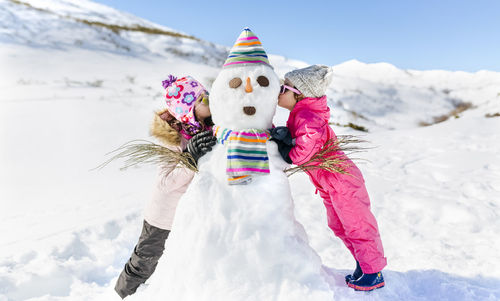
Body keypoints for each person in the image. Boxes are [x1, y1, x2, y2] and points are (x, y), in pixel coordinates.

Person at [270, 65, 387, 291]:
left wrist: (288, 151)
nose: (279, 93)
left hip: (342, 180)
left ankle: (373, 273)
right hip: (329, 182)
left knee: (357, 225)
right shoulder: (300, 114)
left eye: (284, 88)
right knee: (339, 225)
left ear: (299, 94)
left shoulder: (307, 115)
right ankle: (365, 264)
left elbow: (306, 148)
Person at [114, 75, 216, 299]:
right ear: (188, 110)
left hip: (186, 213)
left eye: (208, 95)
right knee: (144, 261)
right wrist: (190, 158)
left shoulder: (207, 129)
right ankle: (122, 294)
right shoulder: (173, 139)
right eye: (203, 100)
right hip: (162, 217)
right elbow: (166, 182)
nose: (209, 100)